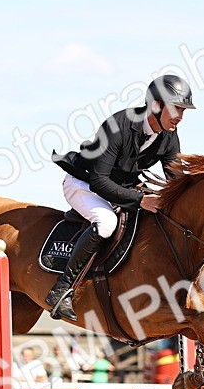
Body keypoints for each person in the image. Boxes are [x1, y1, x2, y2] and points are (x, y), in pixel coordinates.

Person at [47, 73, 196, 321]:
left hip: (119, 187)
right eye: (177, 109)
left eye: (183, 110)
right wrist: (140, 200)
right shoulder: (118, 126)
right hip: (84, 183)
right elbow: (99, 181)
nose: (180, 116)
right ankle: (62, 290)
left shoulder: (169, 136)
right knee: (107, 223)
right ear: (156, 105)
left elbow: (175, 181)